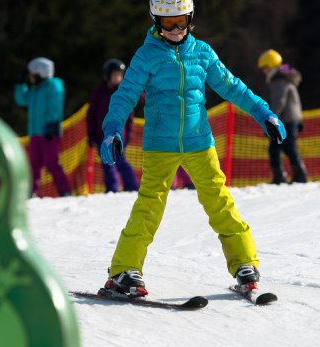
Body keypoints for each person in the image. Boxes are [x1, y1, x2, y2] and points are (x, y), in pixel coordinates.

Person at [98, 0, 286, 297]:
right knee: (149, 206)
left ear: (190, 19)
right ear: (156, 22)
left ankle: (244, 265)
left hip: (200, 142)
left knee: (219, 201)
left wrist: (264, 112)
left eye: (182, 22)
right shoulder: (147, 56)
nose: (175, 30)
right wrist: (112, 130)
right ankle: (124, 270)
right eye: (168, 23)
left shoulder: (202, 53)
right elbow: (126, 94)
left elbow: (232, 86)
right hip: (161, 144)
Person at [14, 57, 72, 197]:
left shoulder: (53, 86)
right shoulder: (35, 90)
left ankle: (65, 191)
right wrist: (20, 83)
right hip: (35, 133)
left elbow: (55, 106)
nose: (30, 78)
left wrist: (51, 123)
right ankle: (31, 192)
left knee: (52, 162)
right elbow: (21, 99)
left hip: (48, 131)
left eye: (32, 75)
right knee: (34, 164)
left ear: (40, 73)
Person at [87, 59, 139, 193]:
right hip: (101, 135)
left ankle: (131, 187)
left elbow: (129, 118)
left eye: (120, 75)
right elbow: (91, 115)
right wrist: (91, 135)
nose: (118, 78)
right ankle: (112, 189)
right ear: (107, 75)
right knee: (107, 163)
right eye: (115, 75)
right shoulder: (99, 93)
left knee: (120, 161)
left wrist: (128, 135)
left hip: (118, 135)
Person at [257, 49, 307, 184]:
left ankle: (296, 176)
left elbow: (279, 102)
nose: (264, 71)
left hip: (285, 120)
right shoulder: (284, 77)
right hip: (291, 118)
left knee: (284, 147)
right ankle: (286, 176)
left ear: (271, 66)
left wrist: (269, 120)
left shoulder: (278, 80)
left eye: (265, 68)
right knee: (282, 147)